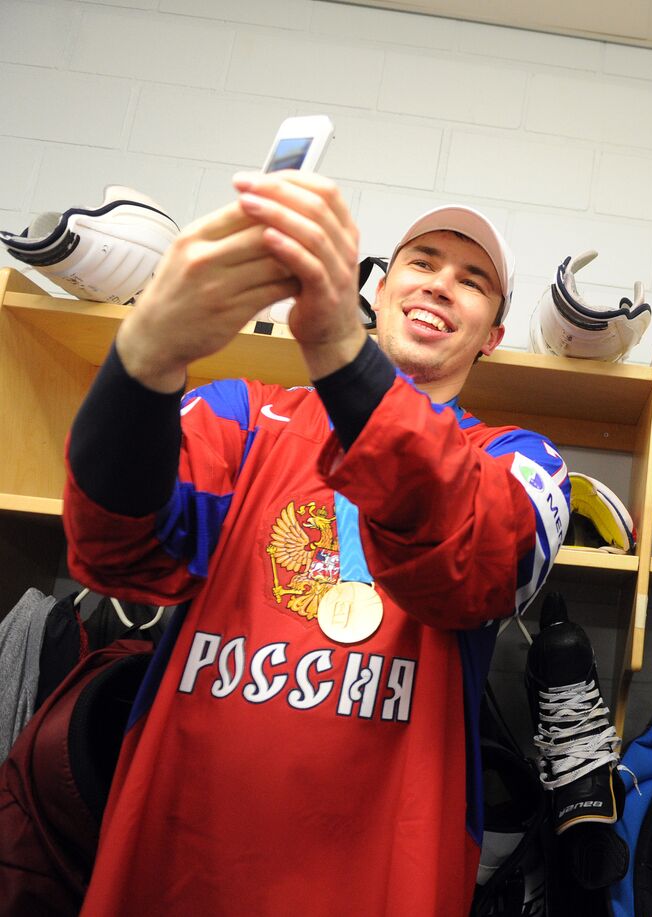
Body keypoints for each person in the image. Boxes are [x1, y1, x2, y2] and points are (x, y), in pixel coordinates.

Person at [62, 170, 570, 914]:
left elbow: (477, 553)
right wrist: (144, 357)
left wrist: (335, 344)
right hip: (178, 863)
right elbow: (115, 545)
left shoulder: (520, 459)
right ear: (380, 286)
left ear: (492, 333)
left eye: (472, 280)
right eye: (422, 262)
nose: (439, 284)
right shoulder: (242, 414)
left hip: (379, 880)